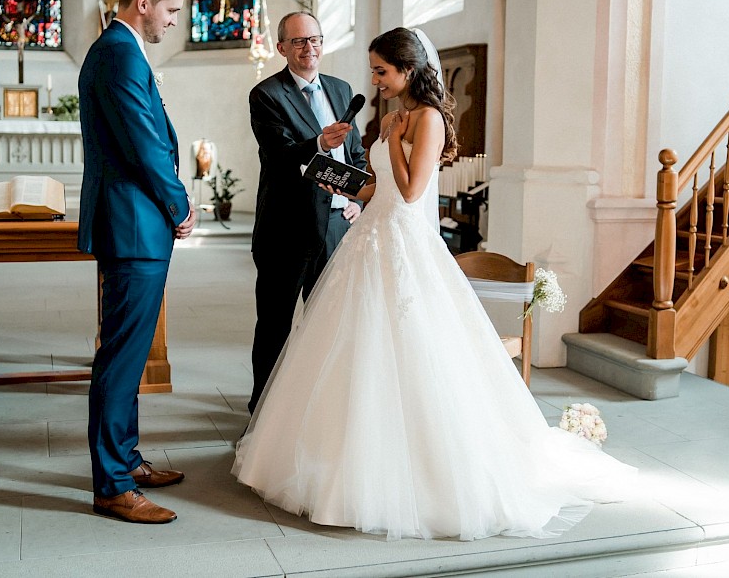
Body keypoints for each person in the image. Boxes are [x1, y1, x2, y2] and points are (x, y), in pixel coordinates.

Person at [232, 27, 637, 541]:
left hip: (403, 244)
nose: (374, 80)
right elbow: (376, 184)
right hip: (369, 239)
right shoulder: (393, 117)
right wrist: (330, 176)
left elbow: (409, 190)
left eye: (382, 71)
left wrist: (397, 138)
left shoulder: (425, 119)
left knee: (411, 346)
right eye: (374, 71)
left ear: (407, 69)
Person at [78, 0, 198, 525]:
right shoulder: (119, 53)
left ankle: (127, 459)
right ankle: (114, 485)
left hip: (136, 224)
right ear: (143, 3)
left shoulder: (120, 50)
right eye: (172, 9)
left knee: (127, 353)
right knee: (122, 359)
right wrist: (180, 204)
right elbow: (145, 146)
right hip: (134, 225)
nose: (175, 20)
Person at [247, 11, 367, 414]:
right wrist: (317, 141)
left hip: (337, 226)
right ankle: (263, 413)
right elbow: (279, 156)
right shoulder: (266, 94)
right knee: (276, 326)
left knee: (329, 326)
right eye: (297, 41)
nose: (308, 48)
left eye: (314, 39)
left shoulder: (341, 88)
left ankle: (318, 413)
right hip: (287, 228)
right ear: (281, 48)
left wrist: (358, 199)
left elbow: (357, 155)